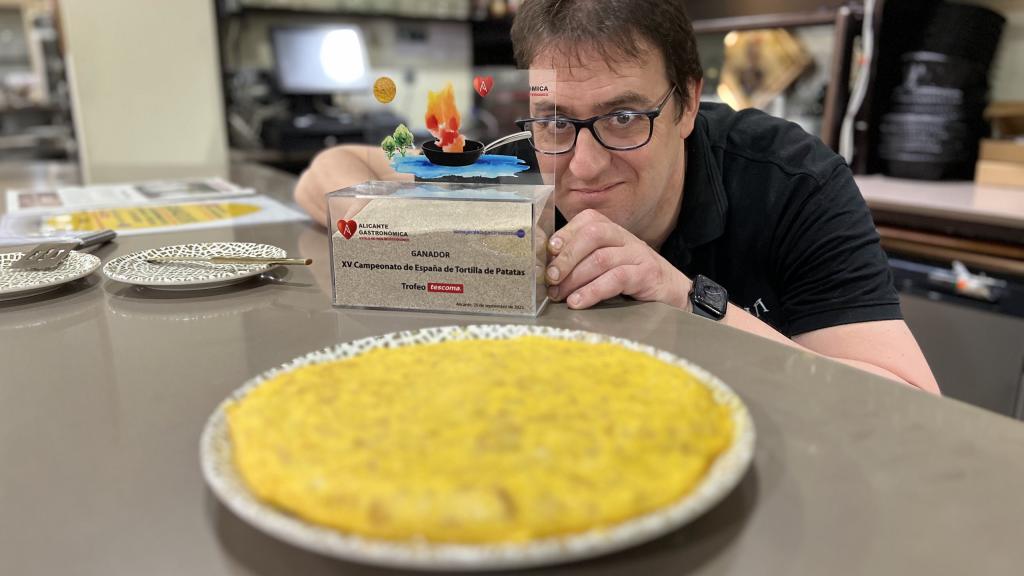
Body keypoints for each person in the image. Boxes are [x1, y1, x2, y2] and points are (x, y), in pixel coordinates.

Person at [294, 0, 940, 394]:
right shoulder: (523, 161)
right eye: (554, 120)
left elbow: (909, 401)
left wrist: (685, 298)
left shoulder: (792, 181)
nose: (582, 164)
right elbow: (331, 168)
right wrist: (405, 227)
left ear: (688, 103)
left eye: (625, 117)